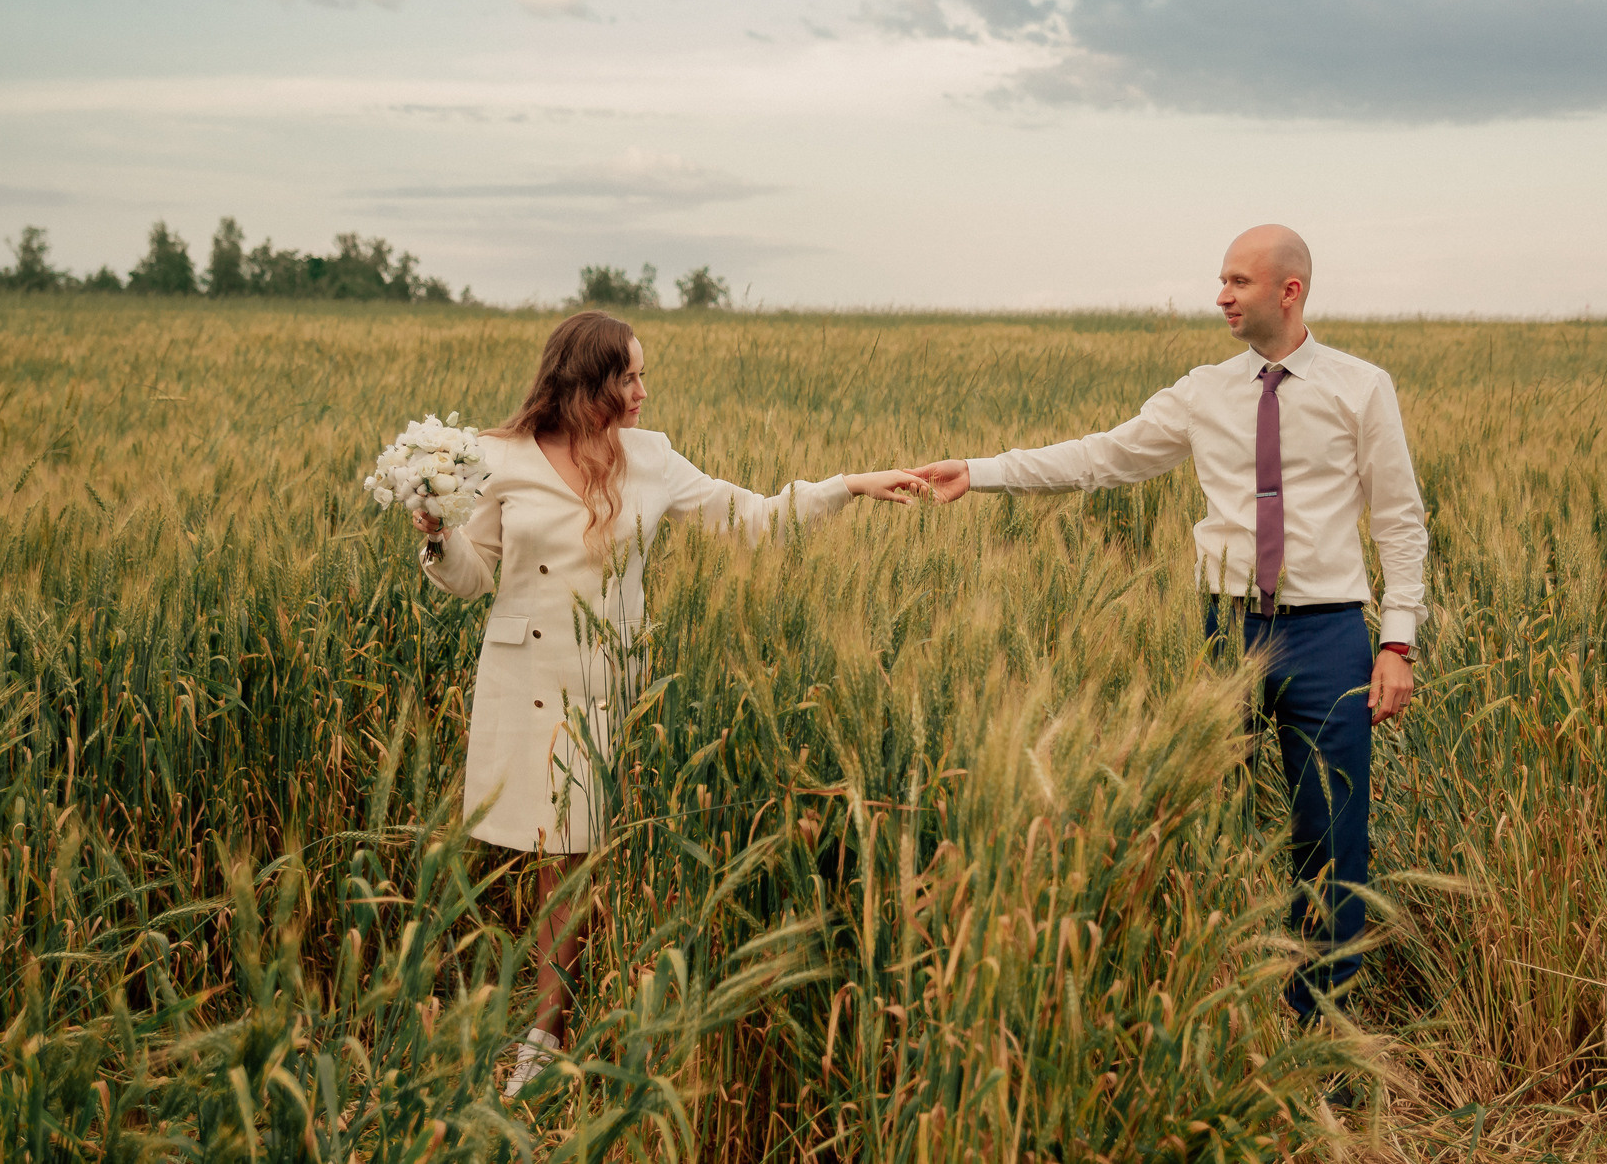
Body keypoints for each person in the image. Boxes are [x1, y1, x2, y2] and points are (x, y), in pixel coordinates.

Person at [907, 224, 1427, 1031]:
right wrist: (981, 473)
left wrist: (1396, 642)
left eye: (1239, 281)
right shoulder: (1203, 390)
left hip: (1330, 637)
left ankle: (1318, 1037)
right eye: (1221, 279)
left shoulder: (1361, 388)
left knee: (1331, 840)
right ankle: (1199, 1012)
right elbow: (1102, 456)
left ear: (1290, 292)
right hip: (1225, 636)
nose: (1221, 295)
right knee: (1196, 822)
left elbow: (1399, 519)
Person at [415, 309, 925, 1097]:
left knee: (582, 855)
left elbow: (751, 516)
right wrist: (438, 537)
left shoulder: (649, 459)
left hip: (612, 678)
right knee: (559, 858)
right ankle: (547, 1030)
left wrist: (850, 485)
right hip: (528, 679)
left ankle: (560, 1021)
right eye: (631, 377)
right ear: (587, 382)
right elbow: (473, 576)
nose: (644, 391)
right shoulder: (499, 458)